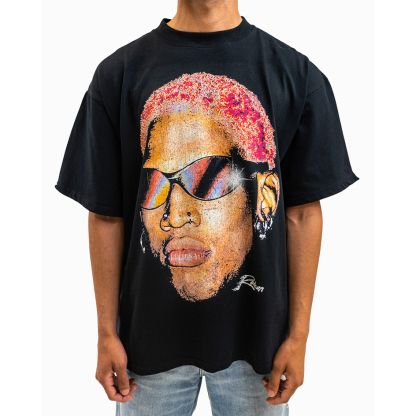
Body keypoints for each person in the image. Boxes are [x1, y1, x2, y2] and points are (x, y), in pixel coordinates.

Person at [55, 1, 359, 415]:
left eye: (206, 178)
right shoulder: (118, 75)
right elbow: (106, 214)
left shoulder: (296, 75)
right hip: (145, 349)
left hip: (260, 352)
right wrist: (106, 333)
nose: (174, 213)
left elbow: (303, 214)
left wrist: (298, 336)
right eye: (157, 185)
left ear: (264, 197)